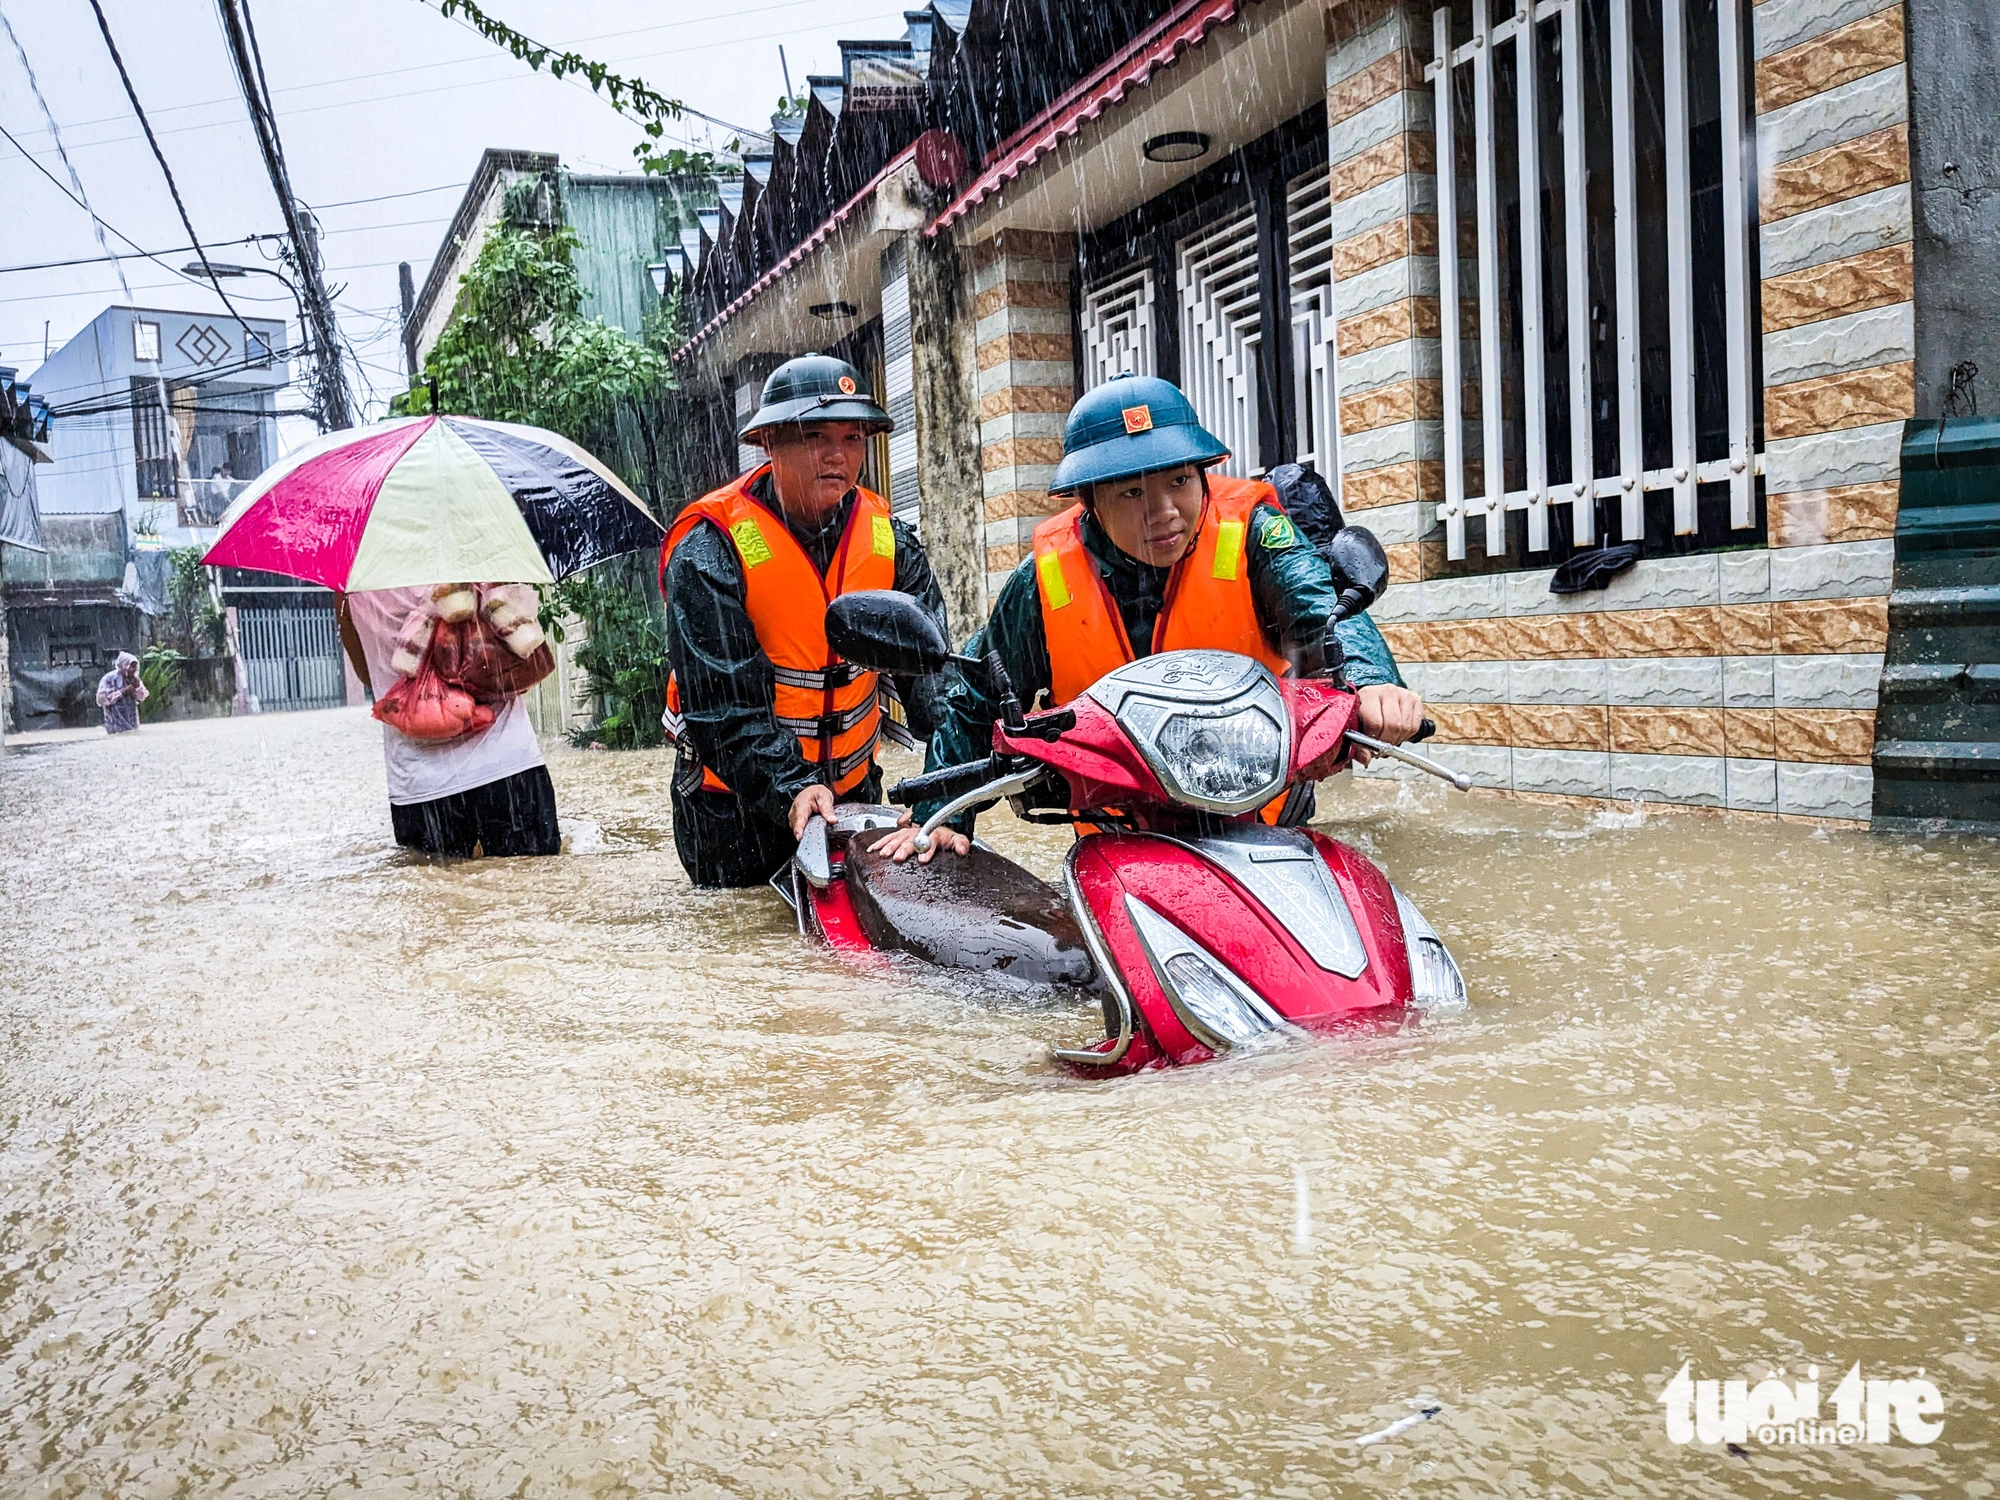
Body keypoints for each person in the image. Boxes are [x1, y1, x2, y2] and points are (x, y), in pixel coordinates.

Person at [877, 373, 1426, 862]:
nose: (1163, 511)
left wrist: (1373, 681)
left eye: (1179, 482)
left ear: (1201, 475)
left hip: (1263, 815)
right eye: (1133, 491)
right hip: (1117, 837)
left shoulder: (1255, 533)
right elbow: (977, 697)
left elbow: (1320, 606)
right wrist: (942, 814)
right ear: (1090, 499)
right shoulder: (1044, 581)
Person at [658, 354, 948, 888]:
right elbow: (721, 704)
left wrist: (948, 792)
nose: (837, 455)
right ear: (768, 442)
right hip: (734, 816)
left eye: (854, 437)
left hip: (852, 797)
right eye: (815, 435)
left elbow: (932, 679)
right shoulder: (709, 552)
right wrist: (792, 785)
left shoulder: (891, 543)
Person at [338, 585, 561, 858]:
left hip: (422, 785)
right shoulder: (468, 551)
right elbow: (520, 644)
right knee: (534, 891)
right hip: (509, 767)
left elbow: (366, 676)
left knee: (442, 893)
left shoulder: (352, 581)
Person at [95, 651, 147, 734]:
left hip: (132, 720)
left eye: (135, 667)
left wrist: (137, 688)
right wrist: (123, 691)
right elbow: (101, 699)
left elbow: (141, 698)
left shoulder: (134, 679)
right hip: (113, 720)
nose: (134, 669)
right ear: (124, 665)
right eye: (131, 666)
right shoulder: (109, 678)